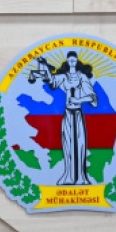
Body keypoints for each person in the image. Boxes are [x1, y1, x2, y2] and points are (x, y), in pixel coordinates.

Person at [28, 51, 98, 186]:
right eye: (70, 59)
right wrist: (43, 65)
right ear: (67, 60)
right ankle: (69, 177)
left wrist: (78, 99)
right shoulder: (64, 77)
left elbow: (92, 97)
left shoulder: (82, 77)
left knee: (79, 144)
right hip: (67, 114)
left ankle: (81, 178)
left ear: (77, 60)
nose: (72, 61)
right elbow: (51, 81)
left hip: (77, 114)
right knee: (68, 146)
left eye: (74, 59)